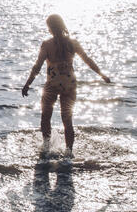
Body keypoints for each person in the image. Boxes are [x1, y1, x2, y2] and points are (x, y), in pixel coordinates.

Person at [21, 14, 111, 157]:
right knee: (67, 120)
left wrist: (27, 84)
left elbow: (37, 67)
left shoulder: (47, 44)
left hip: (52, 85)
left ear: (50, 28)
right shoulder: (73, 43)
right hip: (69, 85)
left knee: (45, 117)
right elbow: (87, 60)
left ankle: (46, 148)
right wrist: (102, 75)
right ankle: (69, 152)